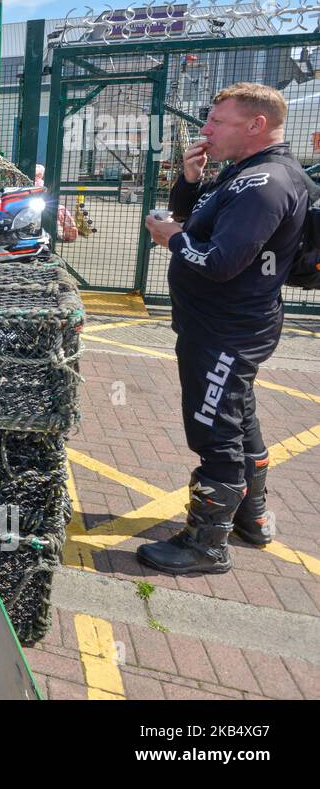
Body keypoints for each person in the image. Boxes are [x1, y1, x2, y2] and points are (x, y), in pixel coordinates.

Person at [139, 83, 311, 576]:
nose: (206, 130)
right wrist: (190, 181)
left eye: (218, 122)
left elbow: (217, 262)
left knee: (213, 431)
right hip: (221, 327)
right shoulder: (243, 174)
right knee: (237, 419)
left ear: (256, 125)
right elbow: (196, 221)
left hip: (225, 331)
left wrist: (171, 240)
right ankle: (252, 518)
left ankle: (205, 546)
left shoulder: (266, 183)